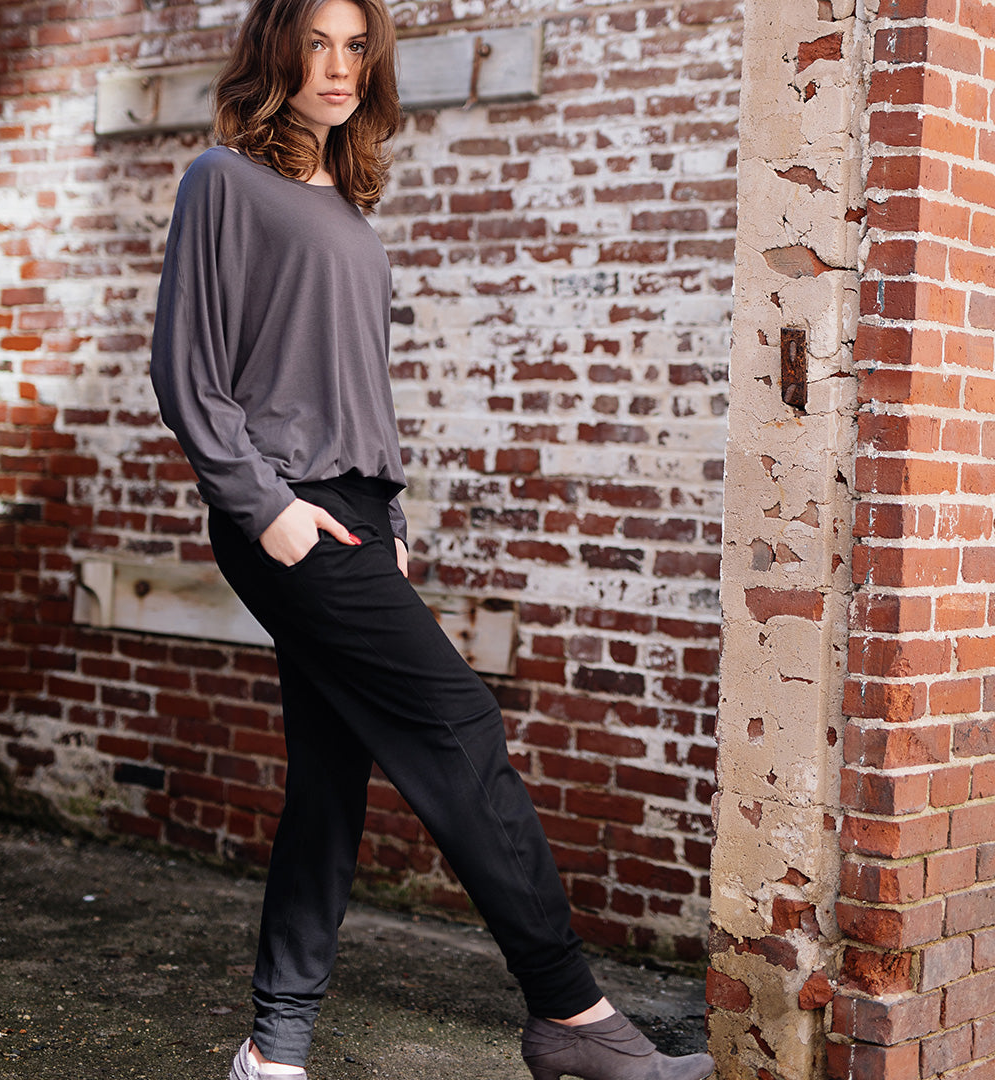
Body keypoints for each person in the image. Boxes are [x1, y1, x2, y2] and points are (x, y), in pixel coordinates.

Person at [150, 1, 717, 1078]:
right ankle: (572, 1017)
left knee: (329, 777)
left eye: (356, 46)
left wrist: (391, 517)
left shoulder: (347, 205)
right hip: (287, 509)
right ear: (277, 50)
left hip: (355, 510)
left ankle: (273, 1054)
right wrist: (263, 509)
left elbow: (356, 383)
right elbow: (187, 371)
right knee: (458, 724)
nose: (337, 66)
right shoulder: (223, 182)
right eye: (316, 42)